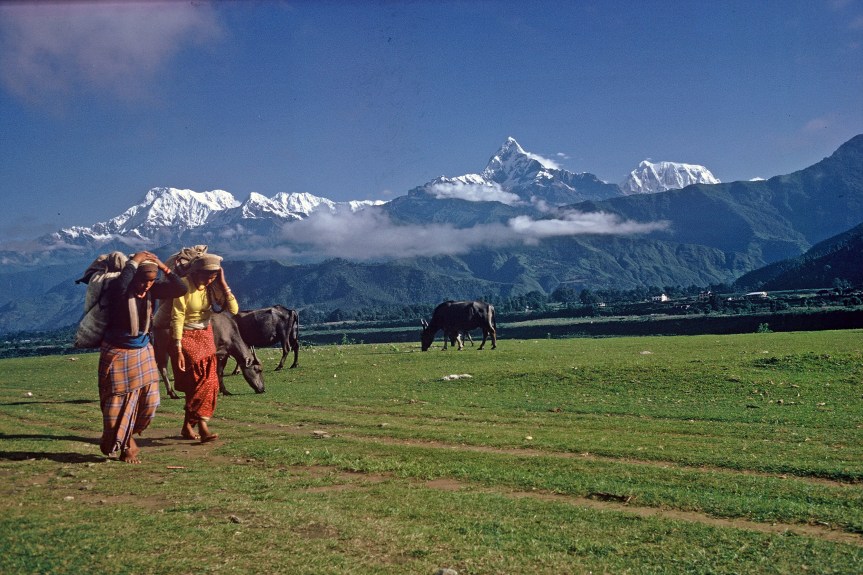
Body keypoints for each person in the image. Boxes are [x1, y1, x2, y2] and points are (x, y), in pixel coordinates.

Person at [98, 250, 186, 463]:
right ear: (135, 277)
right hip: (118, 353)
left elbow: (180, 288)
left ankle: (124, 437)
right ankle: (126, 445)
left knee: (149, 401)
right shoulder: (118, 291)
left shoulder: (152, 291)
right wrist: (134, 262)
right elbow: (121, 285)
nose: (147, 285)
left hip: (143, 351)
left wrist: (163, 267)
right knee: (115, 406)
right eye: (143, 280)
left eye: (152, 281)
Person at [170, 253, 238, 443]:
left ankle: (186, 427)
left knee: (207, 383)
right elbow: (177, 316)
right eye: (207, 275)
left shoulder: (212, 287)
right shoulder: (183, 286)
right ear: (196, 272)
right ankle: (203, 426)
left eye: (214, 275)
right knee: (203, 381)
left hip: (206, 335)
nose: (210, 279)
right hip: (185, 336)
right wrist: (177, 346)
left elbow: (233, 310)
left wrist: (223, 283)